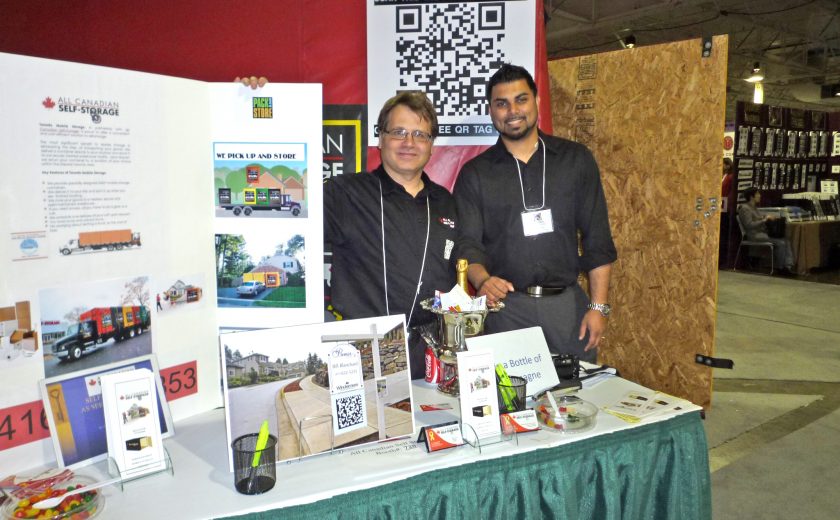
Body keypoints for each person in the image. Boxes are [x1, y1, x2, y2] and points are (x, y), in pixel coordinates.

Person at [453, 64, 617, 363]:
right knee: (510, 404)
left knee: (574, 403)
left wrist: (599, 307)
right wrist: (483, 279)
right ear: (491, 111)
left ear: (537, 102)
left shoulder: (575, 160)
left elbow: (598, 238)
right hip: (506, 313)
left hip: (567, 311)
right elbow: (467, 244)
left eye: (521, 99)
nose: (512, 110)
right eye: (502, 103)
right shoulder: (475, 174)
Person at [325, 91, 457, 379]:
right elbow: (285, 223)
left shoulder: (446, 201)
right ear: (380, 138)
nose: (409, 143)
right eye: (399, 132)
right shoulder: (344, 193)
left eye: (420, 135)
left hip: (431, 361)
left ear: (431, 145)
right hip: (360, 358)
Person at [737, 187, 794, 272]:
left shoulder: (754, 208)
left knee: (786, 240)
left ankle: (788, 266)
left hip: (761, 233)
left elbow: (758, 219)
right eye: (757, 194)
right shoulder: (745, 209)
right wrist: (764, 220)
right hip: (754, 235)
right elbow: (749, 225)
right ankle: (781, 268)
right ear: (752, 196)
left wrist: (767, 218)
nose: (759, 196)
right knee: (781, 243)